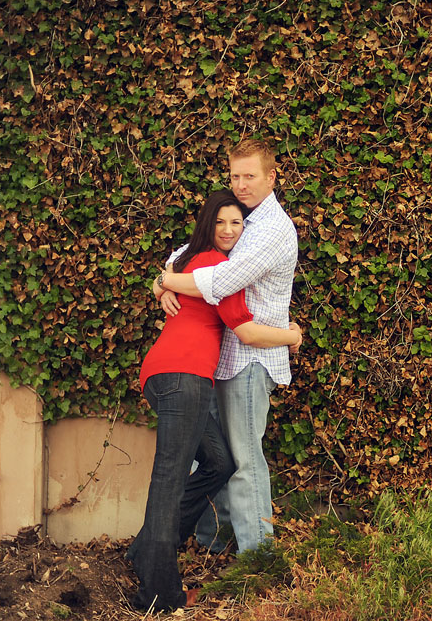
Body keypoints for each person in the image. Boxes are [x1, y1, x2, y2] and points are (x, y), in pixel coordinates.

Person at [129, 190, 302, 613]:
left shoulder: (190, 260)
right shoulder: (215, 267)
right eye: (221, 222)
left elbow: (167, 273)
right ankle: (160, 593)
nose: (228, 230)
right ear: (209, 224)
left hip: (166, 375)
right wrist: (293, 335)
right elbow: (246, 331)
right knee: (169, 480)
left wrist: (160, 282)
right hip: (184, 377)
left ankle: (144, 549)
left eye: (236, 223)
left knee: (219, 462)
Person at [157, 138, 299, 553]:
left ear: (272, 177)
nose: (240, 184)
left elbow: (222, 282)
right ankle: (211, 548)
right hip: (221, 357)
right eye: (235, 175)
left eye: (249, 176)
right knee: (215, 461)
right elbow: (186, 252)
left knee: (243, 464)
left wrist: (168, 280)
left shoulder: (272, 229)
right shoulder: (240, 218)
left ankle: (259, 560)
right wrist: (161, 279)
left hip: (250, 359)